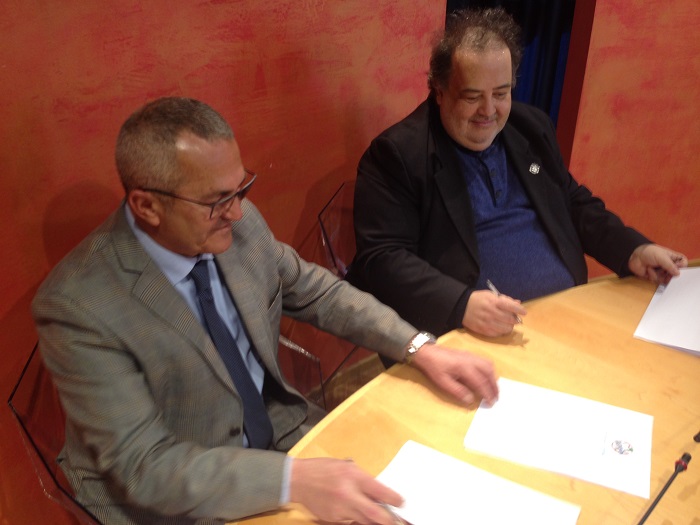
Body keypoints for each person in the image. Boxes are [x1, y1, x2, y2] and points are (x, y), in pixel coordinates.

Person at [31, 97, 498, 525]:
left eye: (241, 188)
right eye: (217, 201)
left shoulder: (237, 223)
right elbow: (144, 465)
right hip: (171, 498)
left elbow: (319, 293)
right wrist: (293, 480)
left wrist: (418, 347)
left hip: (278, 433)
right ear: (146, 206)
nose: (237, 213)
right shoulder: (77, 306)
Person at [346, 7, 687, 339]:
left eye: (501, 93)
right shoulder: (398, 154)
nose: (488, 111)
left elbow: (571, 202)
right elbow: (382, 259)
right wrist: (460, 304)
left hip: (566, 316)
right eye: (472, 97)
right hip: (467, 334)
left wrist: (633, 250)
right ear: (439, 91)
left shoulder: (531, 127)